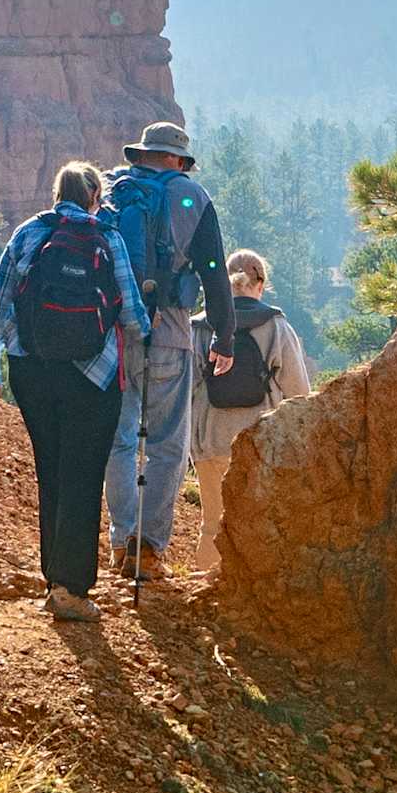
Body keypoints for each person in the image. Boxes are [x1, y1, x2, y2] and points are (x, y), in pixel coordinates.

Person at [0, 159, 151, 621]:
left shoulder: (28, 235)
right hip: (92, 376)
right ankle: (71, 588)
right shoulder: (107, 238)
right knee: (83, 475)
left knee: (51, 470)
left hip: (31, 371)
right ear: (95, 196)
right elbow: (132, 316)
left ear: (56, 194)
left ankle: (53, 578)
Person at [103, 121, 229, 583]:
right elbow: (215, 269)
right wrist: (224, 335)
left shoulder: (115, 192)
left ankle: (121, 541)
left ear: (142, 155)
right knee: (166, 446)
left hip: (116, 336)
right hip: (172, 332)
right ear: (177, 160)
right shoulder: (192, 197)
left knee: (118, 441)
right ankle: (150, 550)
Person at [187, 247, 315, 569]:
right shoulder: (276, 326)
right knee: (258, 525)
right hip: (259, 443)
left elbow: (184, 387)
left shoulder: (200, 327)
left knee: (212, 525)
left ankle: (204, 596)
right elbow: (299, 392)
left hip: (210, 439)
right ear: (261, 285)